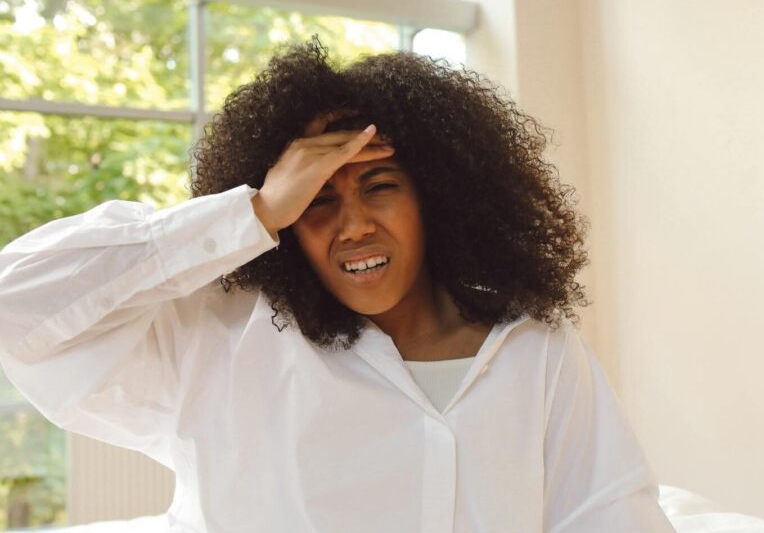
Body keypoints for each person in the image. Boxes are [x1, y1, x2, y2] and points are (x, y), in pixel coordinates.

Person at [0, 37, 676, 532]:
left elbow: (612, 514)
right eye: (317, 199)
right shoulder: (221, 336)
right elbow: (15, 306)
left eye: (380, 187)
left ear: (435, 199)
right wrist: (255, 211)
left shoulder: (538, 352)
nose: (352, 226)